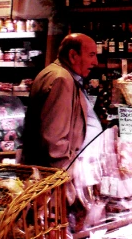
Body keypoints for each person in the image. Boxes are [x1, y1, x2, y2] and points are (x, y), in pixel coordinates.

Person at [22, 33, 101, 170]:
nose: (95, 62)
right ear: (73, 56)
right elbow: (54, 140)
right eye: (91, 55)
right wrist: (67, 175)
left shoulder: (58, 74)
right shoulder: (61, 79)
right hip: (58, 176)